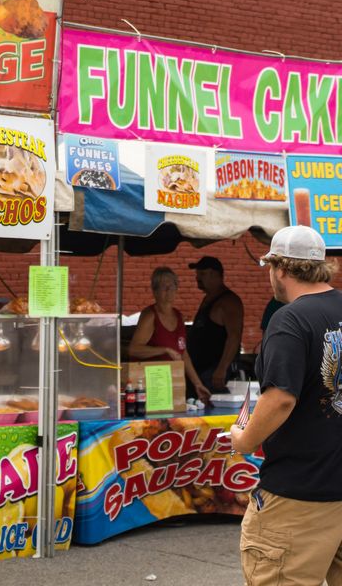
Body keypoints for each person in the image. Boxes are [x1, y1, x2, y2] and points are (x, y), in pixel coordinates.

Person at [230, 225, 342, 585]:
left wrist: (243, 440)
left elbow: (280, 398)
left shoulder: (290, 319)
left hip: (300, 495)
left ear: (280, 268)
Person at [129, 267, 212, 403]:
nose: (168, 290)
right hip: (148, 387)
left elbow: (183, 353)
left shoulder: (179, 316)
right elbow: (134, 349)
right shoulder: (150, 315)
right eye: (163, 287)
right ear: (155, 291)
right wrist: (164, 349)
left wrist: (198, 383)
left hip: (170, 385)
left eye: (171, 286)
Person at [186, 256, 244, 393]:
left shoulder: (229, 302)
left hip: (214, 373)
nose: (198, 278)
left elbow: (234, 337)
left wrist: (222, 369)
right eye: (197, 274)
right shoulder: (208, 299)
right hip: (200, 370)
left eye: (202, 274)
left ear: (215, 275)